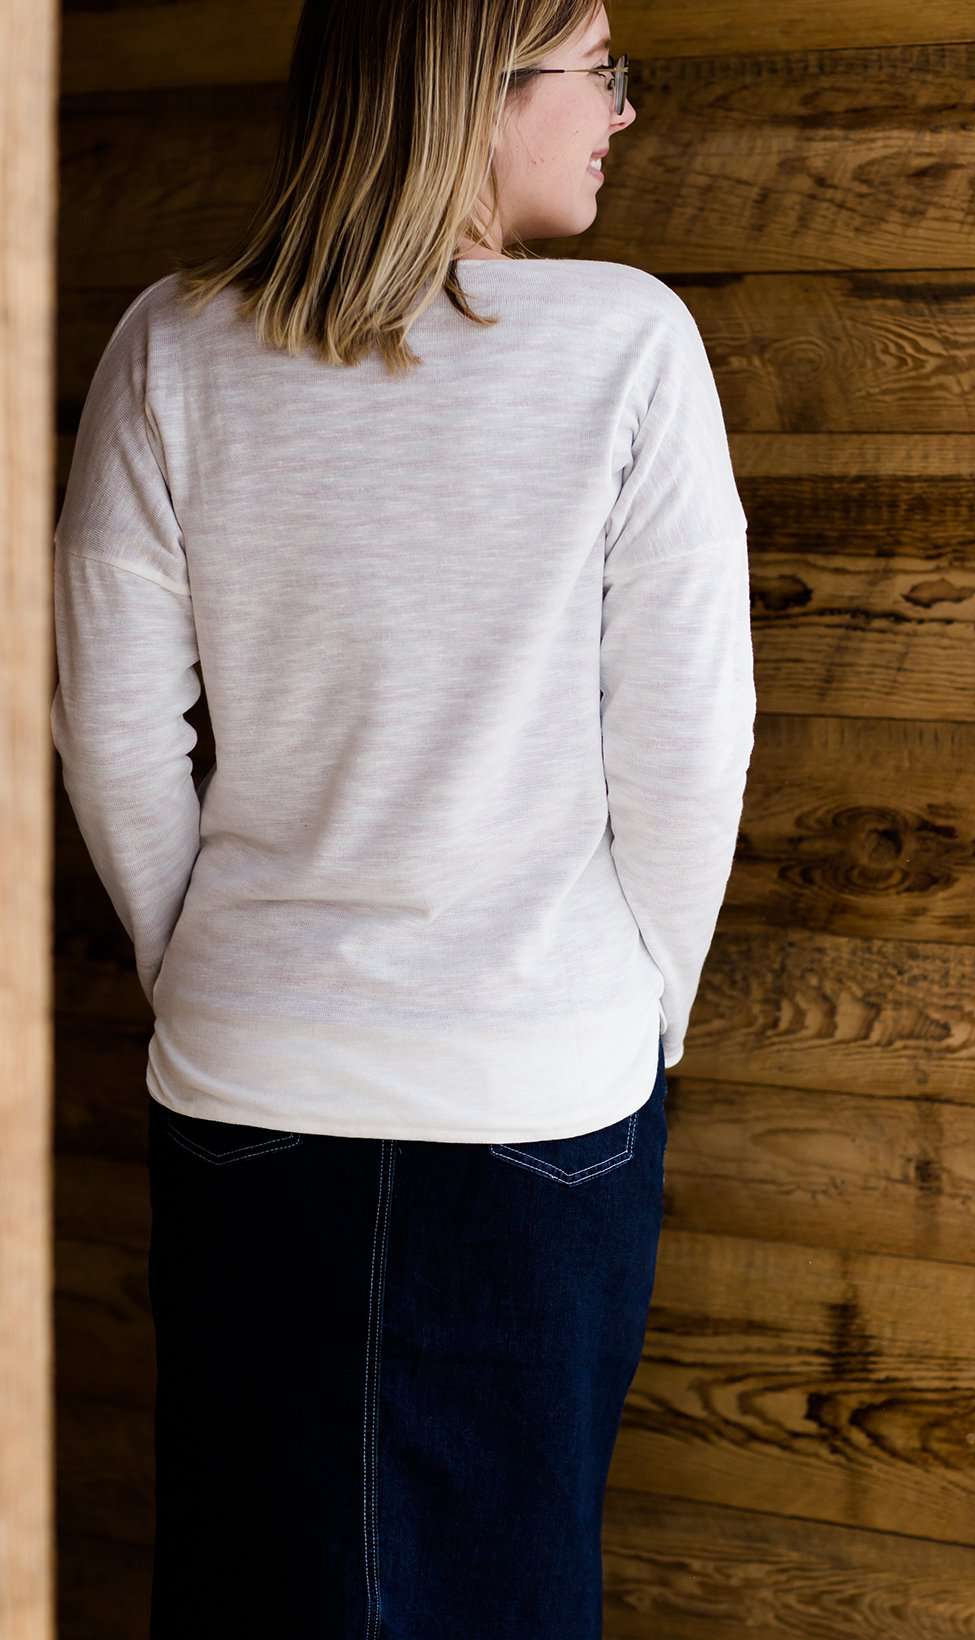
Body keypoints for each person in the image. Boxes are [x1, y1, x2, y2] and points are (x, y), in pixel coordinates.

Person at [49, 0, 756, 1633]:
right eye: (598, 75)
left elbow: (113, 732)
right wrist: (630, 1006)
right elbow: (688, 742)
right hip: (538, 1088)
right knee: (509, 1587)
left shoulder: (174, 343)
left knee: (253, 1581)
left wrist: (211, 966)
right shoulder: (627, 340)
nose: (621, 116)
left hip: (248, 1072)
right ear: (475, 91)